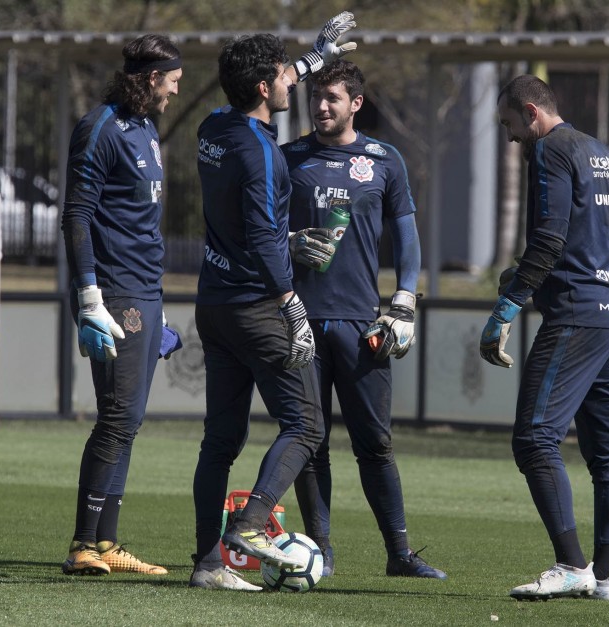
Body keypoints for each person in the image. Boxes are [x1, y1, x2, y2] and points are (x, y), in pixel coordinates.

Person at [190, 13, 357, 592]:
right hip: (258, 306)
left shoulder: (212, 128)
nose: (296, 84)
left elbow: (241, 223)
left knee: (221, 438)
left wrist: (314, 56)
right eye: (287, 77)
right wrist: (291, 303)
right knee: (306, 424)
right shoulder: (263, 153)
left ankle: (208, 566)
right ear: (265, 89)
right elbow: (261, 235)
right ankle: (253, 525)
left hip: (212, 303)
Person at [479, 74, 609, 601]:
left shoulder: (550, 149)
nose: (509, 137)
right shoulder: (607, 154)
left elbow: (549, 237)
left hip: (576, 319)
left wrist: (507, 306)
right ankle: (606, 579)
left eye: (509, 123)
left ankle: (572, 565)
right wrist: (581, 267)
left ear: (531, 112)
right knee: (608, 456)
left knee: (534, 438)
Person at [281, 60, 446, 580]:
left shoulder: (384, 160)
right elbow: (257, 233)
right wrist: (287, 245)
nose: (321, 106)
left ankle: (399, 554)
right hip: (299, 320)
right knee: (310, 441)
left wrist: (404, 300)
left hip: (361, 324)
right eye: (316, 97)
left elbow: (407, 239)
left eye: (332, 97)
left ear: (356, 102)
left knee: (374, 442)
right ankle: (320, 551)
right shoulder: (287, 159)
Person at [60, 34, 183, 576]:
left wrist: (160, 305)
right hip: (113, 292)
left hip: (144, 291)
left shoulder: (145, 129)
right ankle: (83, 544)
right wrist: (90, 298)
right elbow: (77, 217)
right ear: (152, 79)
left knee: (128, 421)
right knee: (116, 417)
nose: (175, 93)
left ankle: (107, 546)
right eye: (173, 83)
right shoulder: (100, 127)